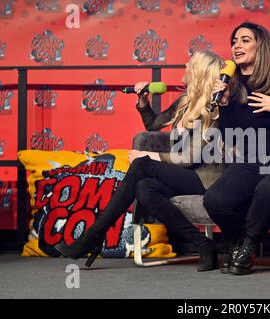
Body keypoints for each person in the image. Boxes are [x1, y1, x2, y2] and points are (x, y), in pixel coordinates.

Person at [55, 50, 224, 271]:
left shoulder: (211, 108)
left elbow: (190, 158)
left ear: (200, 71)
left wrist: (150, 156)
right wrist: (143, 100)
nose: (185, 64)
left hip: (205, 178)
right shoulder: (185, 101)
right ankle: (203, 245)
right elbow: (154, 125)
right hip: (185, 174)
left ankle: (93, 237)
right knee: (144, 188)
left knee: (141, 164)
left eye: (190, 63)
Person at [203, 22, 270, 275]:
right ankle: (237, 243)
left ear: (260, 46)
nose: (236, 46)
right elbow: (231, 138)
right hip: (249, 165)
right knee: (215, 200)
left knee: (268, 188)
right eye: (234, 41)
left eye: (244, 40)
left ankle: (249, 244)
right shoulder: (233, 86)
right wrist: (226, 104)